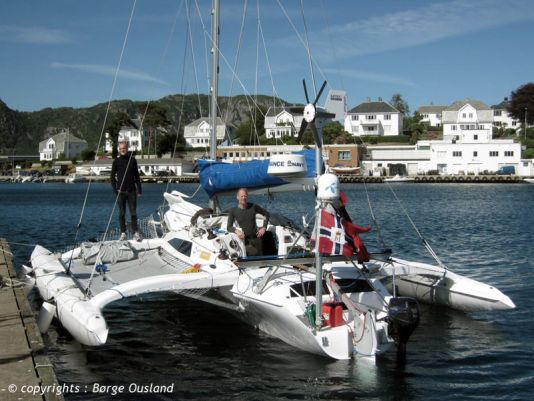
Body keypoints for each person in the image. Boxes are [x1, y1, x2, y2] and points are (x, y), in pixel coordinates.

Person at [111, 142, 142, 241]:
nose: (122, 150)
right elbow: (112, 177)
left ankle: (135, 233)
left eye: (124, 148)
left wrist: (139, 189)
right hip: (121, 192)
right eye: (121, 148)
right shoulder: (116, 161)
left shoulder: (132, 160)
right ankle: (123, 233)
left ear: (127, 149)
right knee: (122, 213)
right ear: (119, 150)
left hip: (132, 191)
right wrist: (116, 190)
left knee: (133, 213)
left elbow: (136, 176)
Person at [227, 188, 270, 256]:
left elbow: (267, 214)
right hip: (244, 240)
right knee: (249, 259)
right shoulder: (233, 211)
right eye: (242, 196)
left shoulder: (253, 206)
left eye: (245, 196)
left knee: (260, 261)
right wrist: (236, 231)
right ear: (237, 197)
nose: (244, 198)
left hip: (256, 238)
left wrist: (264, 227)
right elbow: (229, 227)